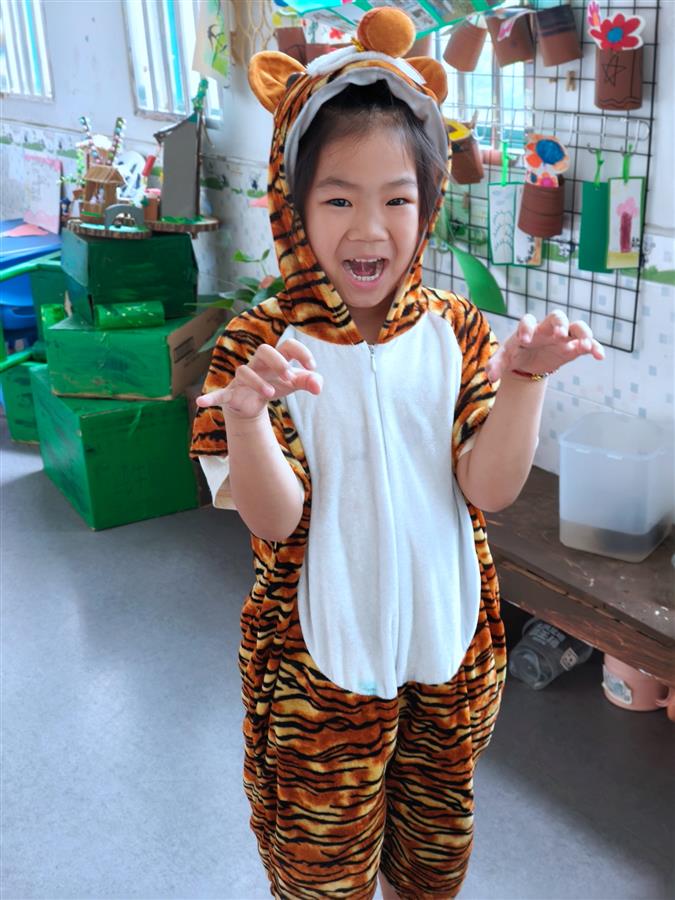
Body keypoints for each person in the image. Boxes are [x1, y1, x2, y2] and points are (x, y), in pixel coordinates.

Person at [190, 8, 604, 898]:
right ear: (292, 203)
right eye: (338, 199)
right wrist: (250, 418)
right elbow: (274, 520)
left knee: (432, 868)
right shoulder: (259, 346)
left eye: (396, 199)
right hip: (318, 679)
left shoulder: (454, 329)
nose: (370, 229)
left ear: (428, 202)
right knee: (321, 875)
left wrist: (524, 380)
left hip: (448, 656)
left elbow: (486, 487)